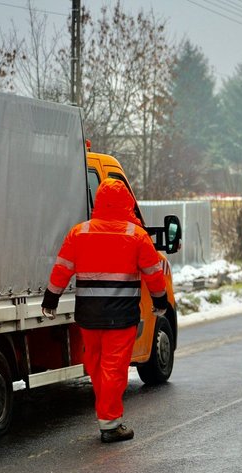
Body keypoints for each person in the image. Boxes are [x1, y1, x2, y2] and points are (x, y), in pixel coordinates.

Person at [41, 178, 170, 443]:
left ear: (99, 201)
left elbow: (62, 268)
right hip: (121, 316)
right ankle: (110, 424)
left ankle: (106, 414)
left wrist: (51, 299)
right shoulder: (136, 236)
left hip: (89, 315)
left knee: (96, 364)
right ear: (126, 203)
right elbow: (154, 274)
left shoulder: (80, 232)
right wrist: (160, 301)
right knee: (114, 367)